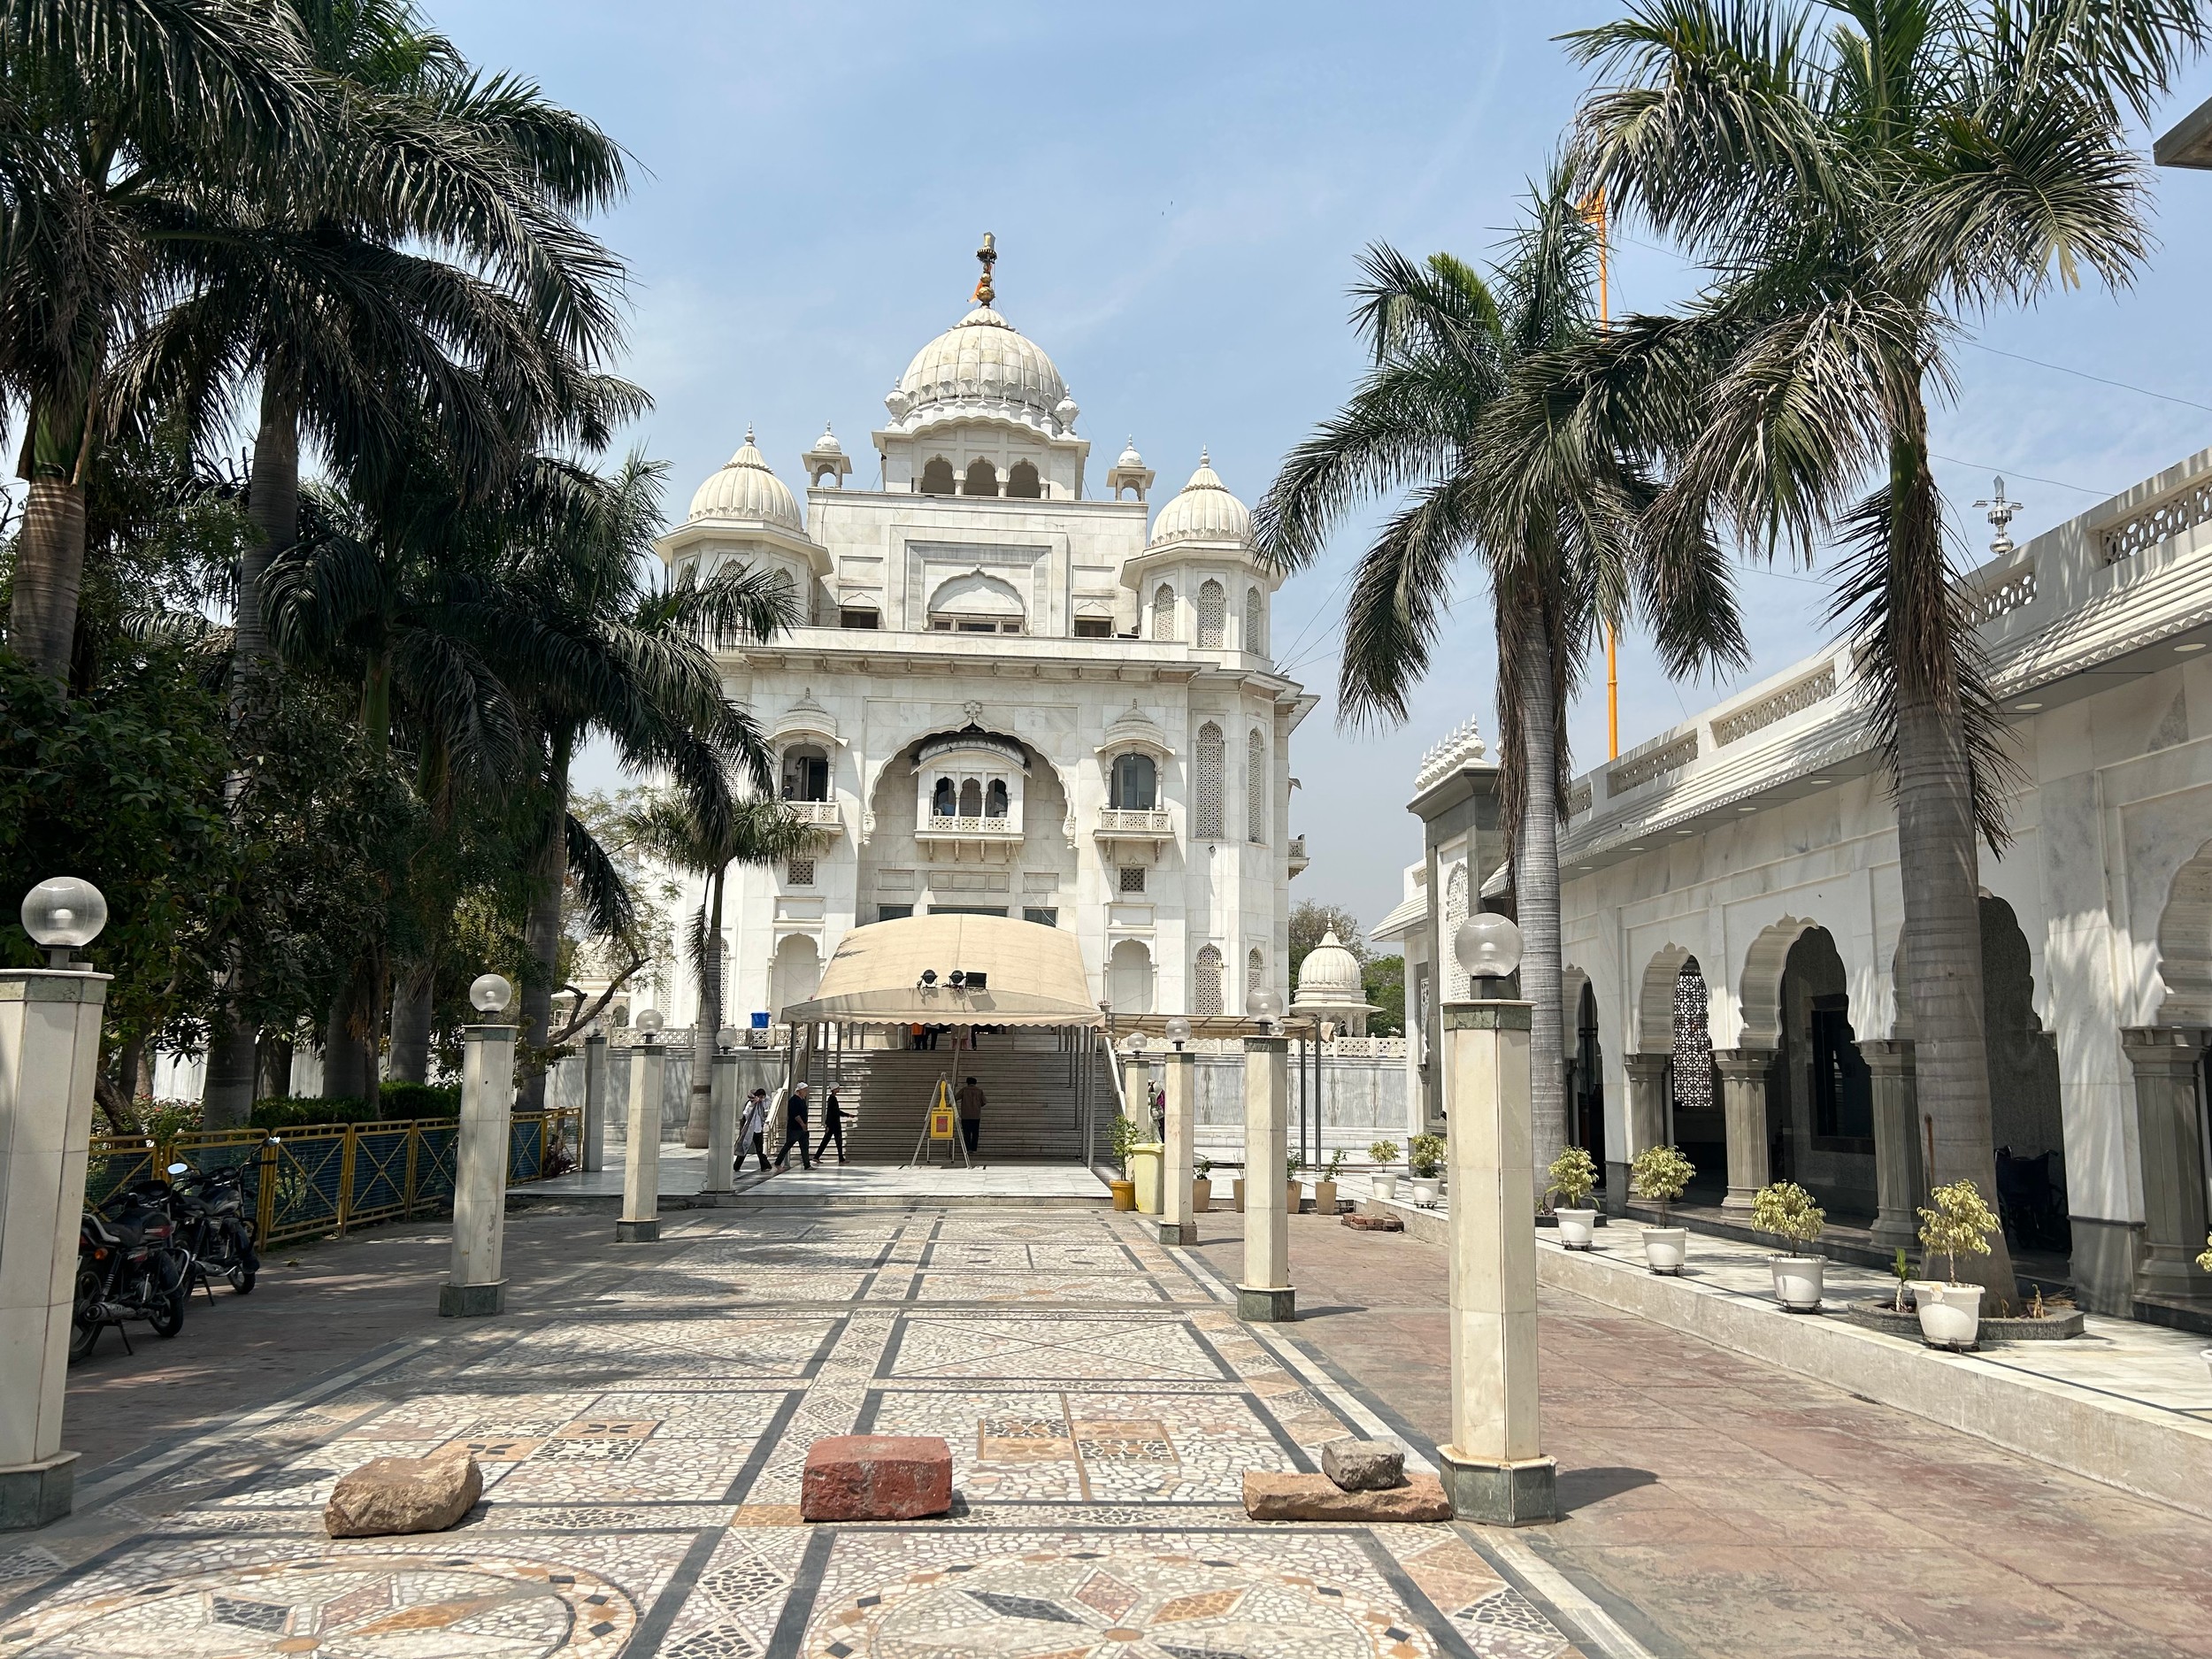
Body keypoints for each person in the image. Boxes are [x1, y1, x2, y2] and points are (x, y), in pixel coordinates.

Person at [774, 1082, 814, 1171]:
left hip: (802, 1128)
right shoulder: (793, 1100)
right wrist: (802, 1124)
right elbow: (796, 1114)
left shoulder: (802, 1100)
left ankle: (807, 1164)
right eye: (804, 1090)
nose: (806, 1092)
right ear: (800, 1091)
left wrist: (805, 1124)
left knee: (805, 1146)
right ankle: (778, 1162)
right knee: (788, 1145)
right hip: (795, 1128)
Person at [737, 1087, 771, 1173]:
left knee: (759, 1149)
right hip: (749, 1129)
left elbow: (768, 1101)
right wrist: (753, 1103)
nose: (761, 1098)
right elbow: (746, 1113)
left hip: (758, 1129)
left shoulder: (762, 1104)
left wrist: (764, 1097)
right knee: (745, 1147)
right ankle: (737, 1165)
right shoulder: (750, 1104)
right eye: (760, 1096)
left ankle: (765, 1166)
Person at [955, 1074, 986, 1156]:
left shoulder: (964, 1090)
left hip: (966, 1115)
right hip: (976, 1115)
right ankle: (974, 1149)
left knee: (967, 1133)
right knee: (975, 1133)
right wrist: (977, 1106)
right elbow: (984, 1102)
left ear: (967, 1083)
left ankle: (967, 1149)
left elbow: (955, 1098)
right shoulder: (979, 1091)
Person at [815, 1087, 847, 1164]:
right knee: (837, 1141)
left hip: (832, 1124)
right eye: (837, 1088)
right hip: (834, 1124)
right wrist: (847, 1115)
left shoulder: (832, 1099)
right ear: (834, 1089)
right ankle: (841, 1159)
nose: (839, 1089)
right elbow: (834, 1112)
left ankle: (817, 1156)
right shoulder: (832, 1099)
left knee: (827, 1141)